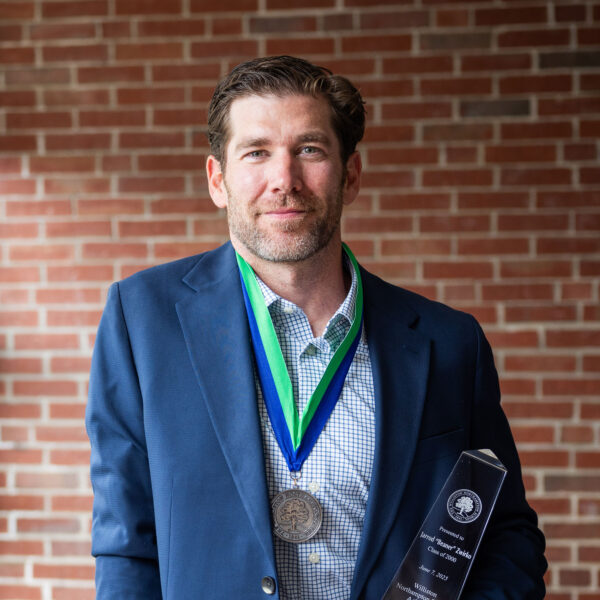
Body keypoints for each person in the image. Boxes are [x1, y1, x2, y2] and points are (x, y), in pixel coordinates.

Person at [86, 55, 547, 599]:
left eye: (309, 149)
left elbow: (506, 537)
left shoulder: (448, 343)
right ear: (218, 180)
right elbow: (126, 544)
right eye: (256, 152)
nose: (284, 180)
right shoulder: (142, 321)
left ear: (350, 176)